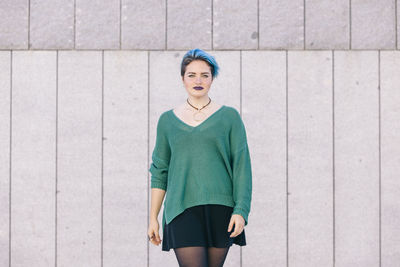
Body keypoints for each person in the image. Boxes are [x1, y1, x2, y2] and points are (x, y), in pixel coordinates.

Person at [147, 48, 252, 267]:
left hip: (221, 208)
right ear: (182, 78)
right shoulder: (167, 120)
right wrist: (153, 217)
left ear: (212, 78)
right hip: (181, 208)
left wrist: (241, 211)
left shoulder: (229, 117)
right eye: (191, 75)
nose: (198, 80)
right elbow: (160, 171)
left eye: (205, 75)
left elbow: (241, 167)